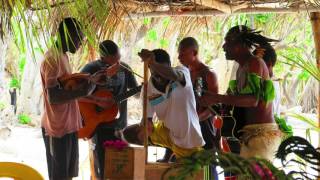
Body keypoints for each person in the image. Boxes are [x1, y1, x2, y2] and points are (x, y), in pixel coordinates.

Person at [200, 25, 282, 162]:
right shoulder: (241, 68)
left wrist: (216, 97)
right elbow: (238, 103)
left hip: (262, 136)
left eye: (228, 42)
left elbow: (252, 100)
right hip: (251, 135)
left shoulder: (255, 63)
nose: (224, 47)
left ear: (240, 44)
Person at [124, 49, 205, 159]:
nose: (159, 76)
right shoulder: (147, 89)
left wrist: (154, 64)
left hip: (192, 140)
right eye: (155, 72)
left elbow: (174, 75)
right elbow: (147, 119)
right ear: (149, 68)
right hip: (172, 138)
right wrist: (146, 126)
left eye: (162, 70)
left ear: (170, 66)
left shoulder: (182, 72)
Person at [40, 17, 95, 180]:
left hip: (67, 125)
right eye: (78, 38)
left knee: (68, 175)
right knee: (59, 177)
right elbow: (54, 97)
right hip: (56, 128)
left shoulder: (62, 56)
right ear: (65, 35)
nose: (80, 43)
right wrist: (83, 92)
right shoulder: (52, 59)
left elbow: (64, 87)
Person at [80, 40, 139, 179]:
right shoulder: (91, 68)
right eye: (114, 58)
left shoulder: (125, 68)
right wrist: (97, 101)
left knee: (120, 167)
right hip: (98, 126)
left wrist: (144, 90)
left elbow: (136, 94)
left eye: (119, 57)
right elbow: (77, 94)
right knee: (101, 167)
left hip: (120, 126)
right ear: (104, 56)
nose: (118, 61)